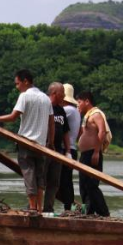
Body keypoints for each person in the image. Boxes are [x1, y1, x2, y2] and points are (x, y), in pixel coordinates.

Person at [0, 69, 53, 212]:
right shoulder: (45, 98)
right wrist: (51, 143)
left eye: (17, 83)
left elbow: (12, 117)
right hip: (42, 145)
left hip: (26, 142)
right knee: (39, 177)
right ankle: (39, 207)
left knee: (29, 174)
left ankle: (32, 207)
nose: (17, 87)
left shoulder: (24, 96)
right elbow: (51, 123)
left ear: (26, 81)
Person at [76, 92, 109, 216]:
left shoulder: (96, 114)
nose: (78, 104)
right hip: (85, 154)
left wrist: (96, 152)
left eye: (79, 102)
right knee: (84, 184)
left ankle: (104, 212)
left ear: (87, 101)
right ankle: (88, 211)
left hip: (92, 154)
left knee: (92, 184)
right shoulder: (86, 116)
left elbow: (102, 132)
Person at [43, 82, 70, 213]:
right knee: (40, 179)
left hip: (57, 151)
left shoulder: (61, 110)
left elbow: (65, 132)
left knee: (54, 182)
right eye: (62, 93)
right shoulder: (44, 106)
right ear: (54, 93)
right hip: (43, 148)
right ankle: (35, 207)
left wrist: (68, 151)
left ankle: (48, 208)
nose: (64, 96)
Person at [59, 83, 81, 210]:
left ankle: (68, 207)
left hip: (65, 149)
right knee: (67, 181)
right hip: (72, 149)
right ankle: (69, 207)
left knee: (64, 181)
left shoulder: (67, 110)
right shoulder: (76, 111)